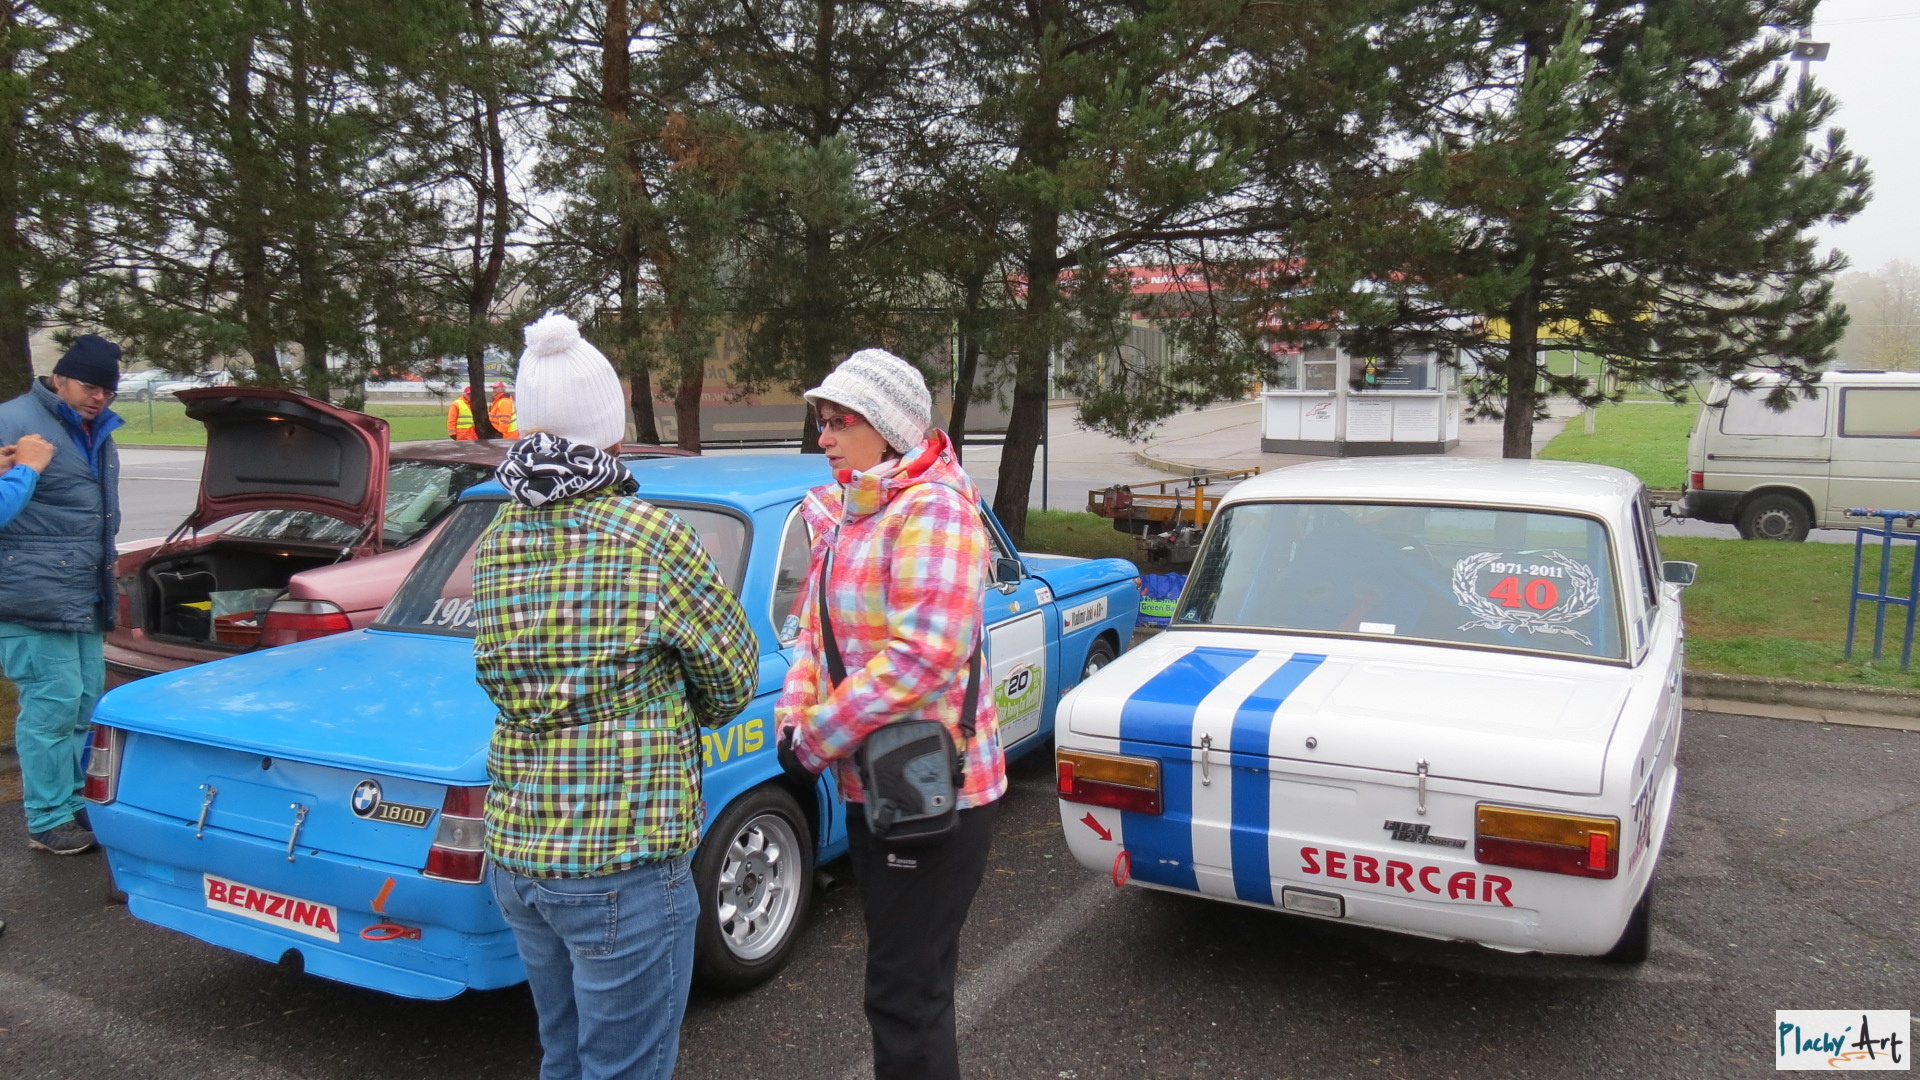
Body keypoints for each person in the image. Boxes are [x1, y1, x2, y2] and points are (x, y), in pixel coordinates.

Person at [471, 311, 757, 1080]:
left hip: (520, 851)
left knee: (563, 1057)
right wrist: (667, 700)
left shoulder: (495, 539)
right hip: (619, 857)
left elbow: (504, 673)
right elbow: (733, 678)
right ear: (609, 429)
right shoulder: (647, 535)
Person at [775, 348, 1004, 1080]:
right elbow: (813, 634)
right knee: (901, 984)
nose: (825, 437)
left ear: (891, 428)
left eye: (841, 421)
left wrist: (816, 735)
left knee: (907, 997)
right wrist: (792, 713)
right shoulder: (852, 510)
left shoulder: (933, 508)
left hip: (935, 786)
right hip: (876, 782)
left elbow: (924, 656)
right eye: (822, 421)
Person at [0, 335, 126, 856]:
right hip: (30, 596)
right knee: (49, 710)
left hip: (83, 593)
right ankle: (46, 818)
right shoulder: (12, 421)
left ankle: (72, 801)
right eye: (90, 386)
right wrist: (26, 467)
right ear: (59, 379)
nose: (99, 397)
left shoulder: (98, 428)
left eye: (108, 390)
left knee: (82, 706)